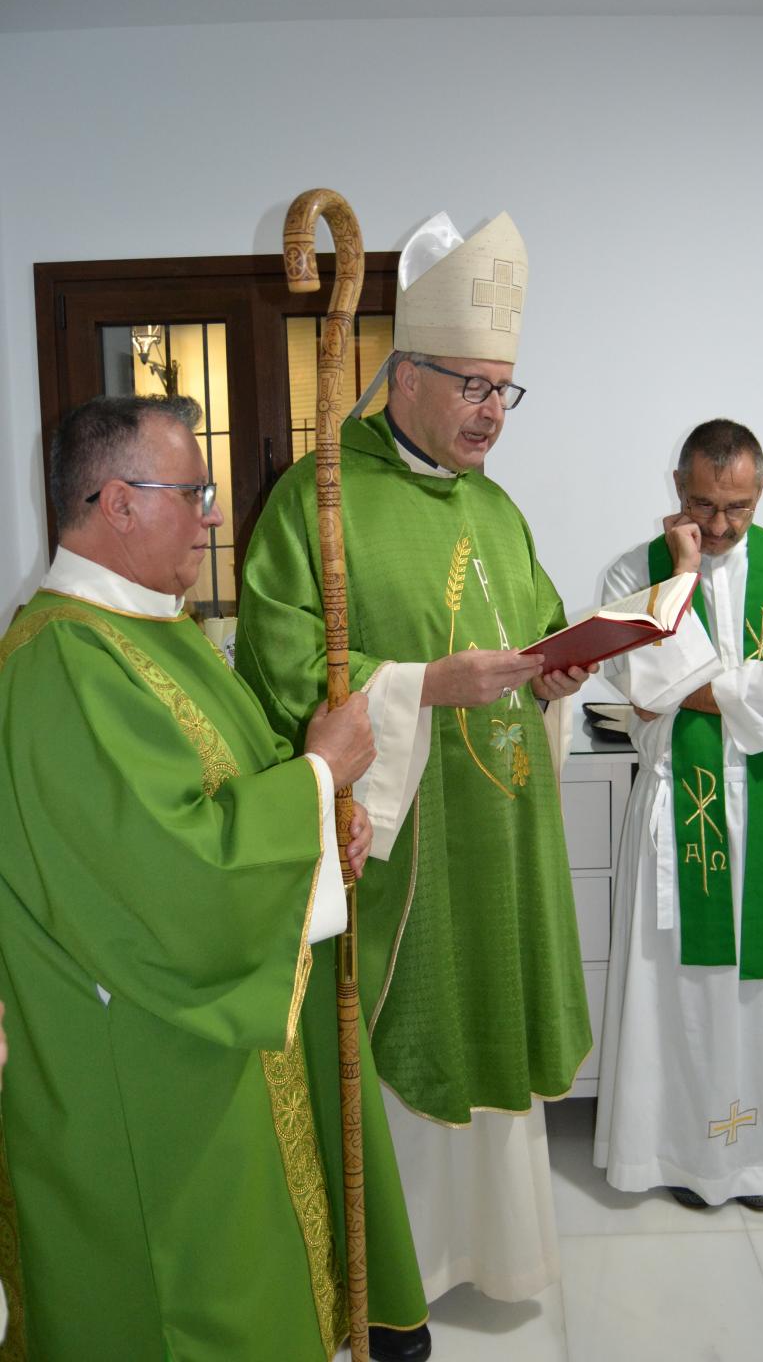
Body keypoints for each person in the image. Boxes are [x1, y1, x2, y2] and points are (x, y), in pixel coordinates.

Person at [0, 394, 428, 1362]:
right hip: (144, 1063)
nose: (210, 514)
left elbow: (234, 787)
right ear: (114, 502)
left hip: (205, 1038)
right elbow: (174, 872)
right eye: (191, 491)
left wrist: (325, 818)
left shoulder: (158, 631)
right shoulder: (64, 661)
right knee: (181, 1308)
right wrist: (320, 777)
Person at [236, 211, 593, 1306]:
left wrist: (556, 676)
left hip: (500, 835)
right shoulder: (318, 498)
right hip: (406, 857)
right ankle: (398, 1275)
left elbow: (533, 631)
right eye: (472, 384)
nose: (493, 411)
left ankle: (499, 1253)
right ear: (402, 373)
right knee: (402, 1037)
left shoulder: (497, 507)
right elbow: (287, 674)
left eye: (505, 389)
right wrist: (423, 688)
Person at [593, 419, 763, 1210]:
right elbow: (645, 687)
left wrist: (698, 680)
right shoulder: (638, 570)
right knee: (682, 985)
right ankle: (685, 1155)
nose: (722, 525)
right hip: (678, 809)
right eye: (704, 504)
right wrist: (685, 578)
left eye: (737, 506)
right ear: (676, 488)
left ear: (760, 491)